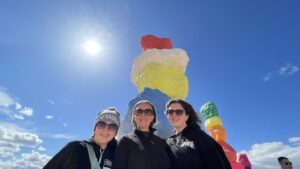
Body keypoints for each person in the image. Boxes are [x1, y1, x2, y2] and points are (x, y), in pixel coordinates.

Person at [43, 107, 120, 169]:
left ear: (115, 132)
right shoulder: (75, 148)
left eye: (112, 127)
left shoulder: (118, 156)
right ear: (95, 127)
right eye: (101, 124)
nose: (106, 129)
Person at [165, 99, 232, 169]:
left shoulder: (201, 137)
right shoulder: (168, 142)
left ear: (187, 116)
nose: (174, 114)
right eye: (170, 112)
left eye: (179, 112)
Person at [112, 100, 170, 169]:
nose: (143, 114)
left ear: (153, 117)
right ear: (134, 117)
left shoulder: (162, 143)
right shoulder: (125, 141)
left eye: (148, 112)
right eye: (139, 111)